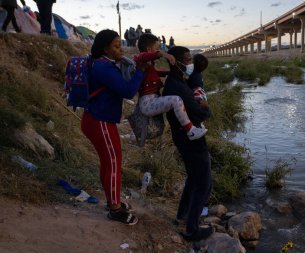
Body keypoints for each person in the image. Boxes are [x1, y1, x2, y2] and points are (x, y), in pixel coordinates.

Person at [81, 29, 146, 225]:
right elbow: (127, 91)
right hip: (99, 121)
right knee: (114, 163)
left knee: (108, 162)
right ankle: (115, 210)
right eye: (116, 46)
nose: (120, 49)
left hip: (96, 119)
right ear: (105, 49)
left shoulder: (102, 63)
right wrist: (141, 71)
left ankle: (113, 202)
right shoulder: (104, 68)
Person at [162, 46, 213, 241]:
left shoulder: (176, 82)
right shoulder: (178, 88)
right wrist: (206, 109)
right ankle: (192, 229)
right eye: (187, 59)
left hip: (184, 137)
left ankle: (182, 215)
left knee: (193, 178)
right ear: (175, 61)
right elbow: (200, 113)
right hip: (191, 140)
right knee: (203, 182)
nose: (190, 64)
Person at [134, 33, 207, 140]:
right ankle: (190, 130)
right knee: (176, 100)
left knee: (144, 129)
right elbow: (142, 56)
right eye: (157, 48)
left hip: (152, 100)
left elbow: (152, 73)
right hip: (147, 103)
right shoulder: (141, 59)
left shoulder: (148, 64)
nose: (159, 50)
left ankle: (133, 136)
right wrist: (163, 54)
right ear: (149, 49)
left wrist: (166, 72)